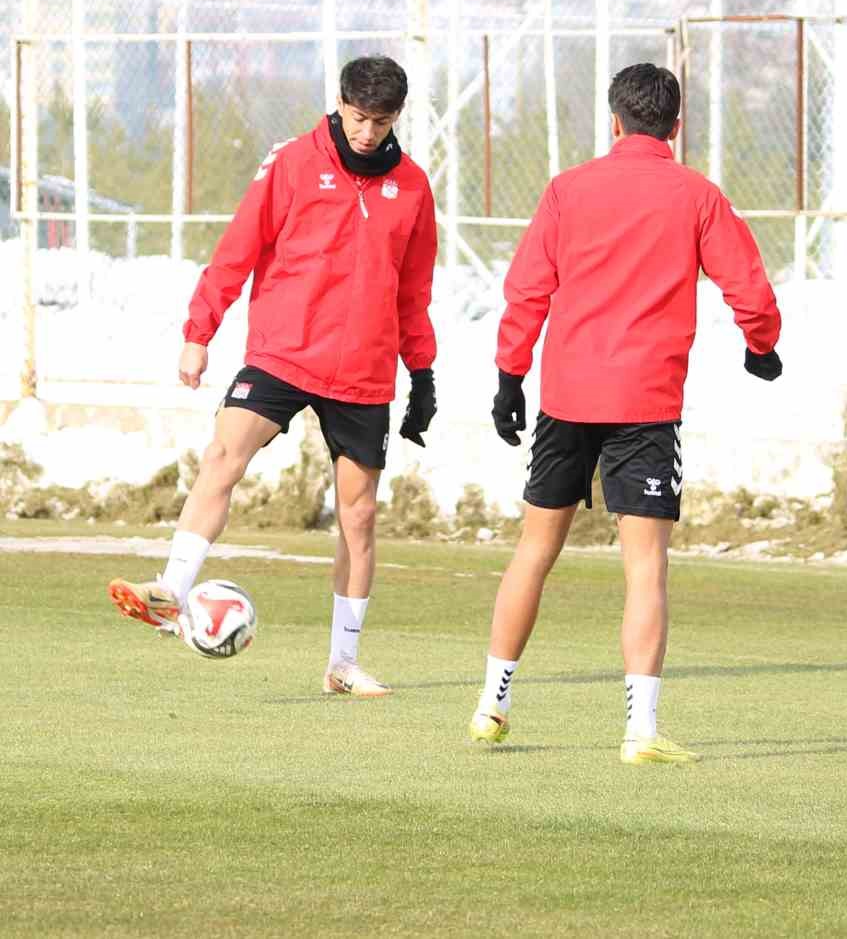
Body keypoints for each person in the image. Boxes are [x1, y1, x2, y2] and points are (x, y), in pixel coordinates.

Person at [470, 62, 782, 764]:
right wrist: (762, 346)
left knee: (534, 551)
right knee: (645, 567)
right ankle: (640, 730)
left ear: (614, 120)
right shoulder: (698, 195)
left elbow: (527, 289)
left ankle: (492, 704)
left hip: (566, 398)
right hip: (645, 404)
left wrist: (509, 378)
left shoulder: (567, 189)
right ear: (676, 126)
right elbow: (749, 287)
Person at [107, 56, 438, 698]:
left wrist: (422, 374)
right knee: (223, 453)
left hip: (363, 370)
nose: (367, 132)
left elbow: (413, 291)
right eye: (358, 118)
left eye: (381, 121)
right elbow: (238, 249)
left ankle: (343, 663)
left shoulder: (414, 187)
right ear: (339, 104)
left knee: (359, 516)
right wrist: (198, 334)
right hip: (283, 353)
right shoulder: (292, 162)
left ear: (397, 118)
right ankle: (171, 590)